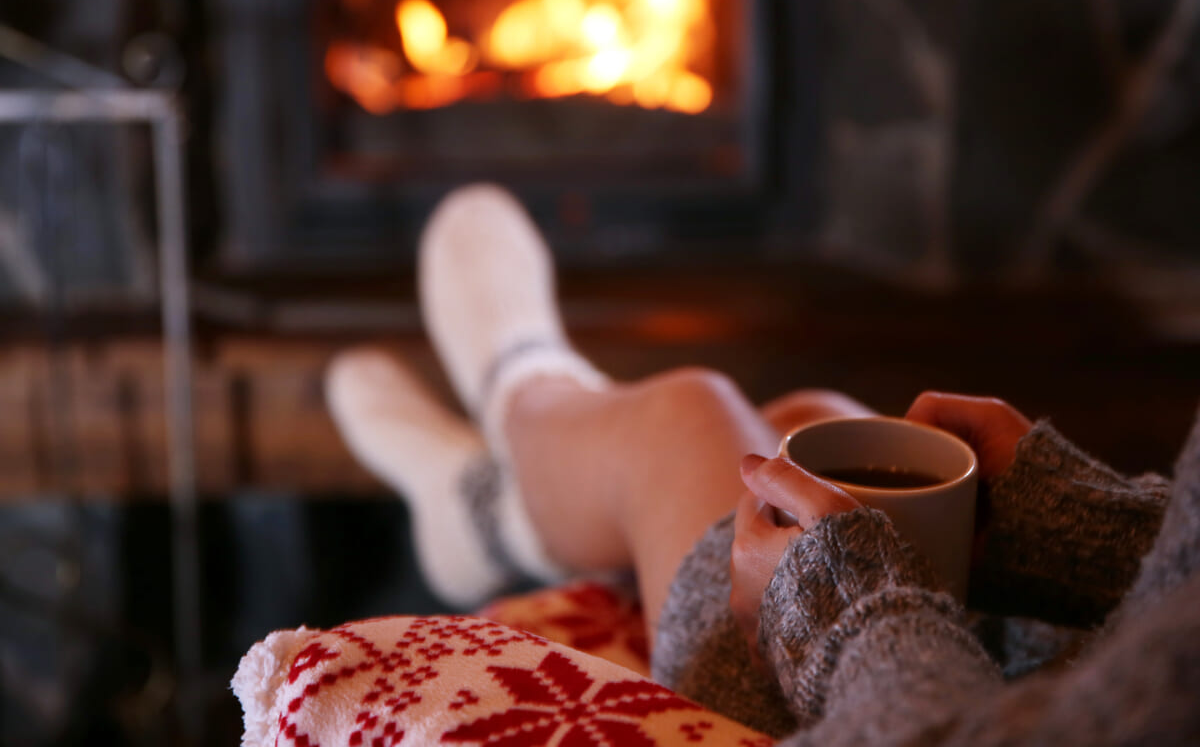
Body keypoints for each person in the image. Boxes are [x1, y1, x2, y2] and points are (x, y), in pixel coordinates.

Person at [326, 184, 1200, 745]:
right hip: (1045, 643)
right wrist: (1075, 523)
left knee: (686, 413)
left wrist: (843, 605)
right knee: (812, 419)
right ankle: (492, 506)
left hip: (884, 700)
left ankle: (520, 401)